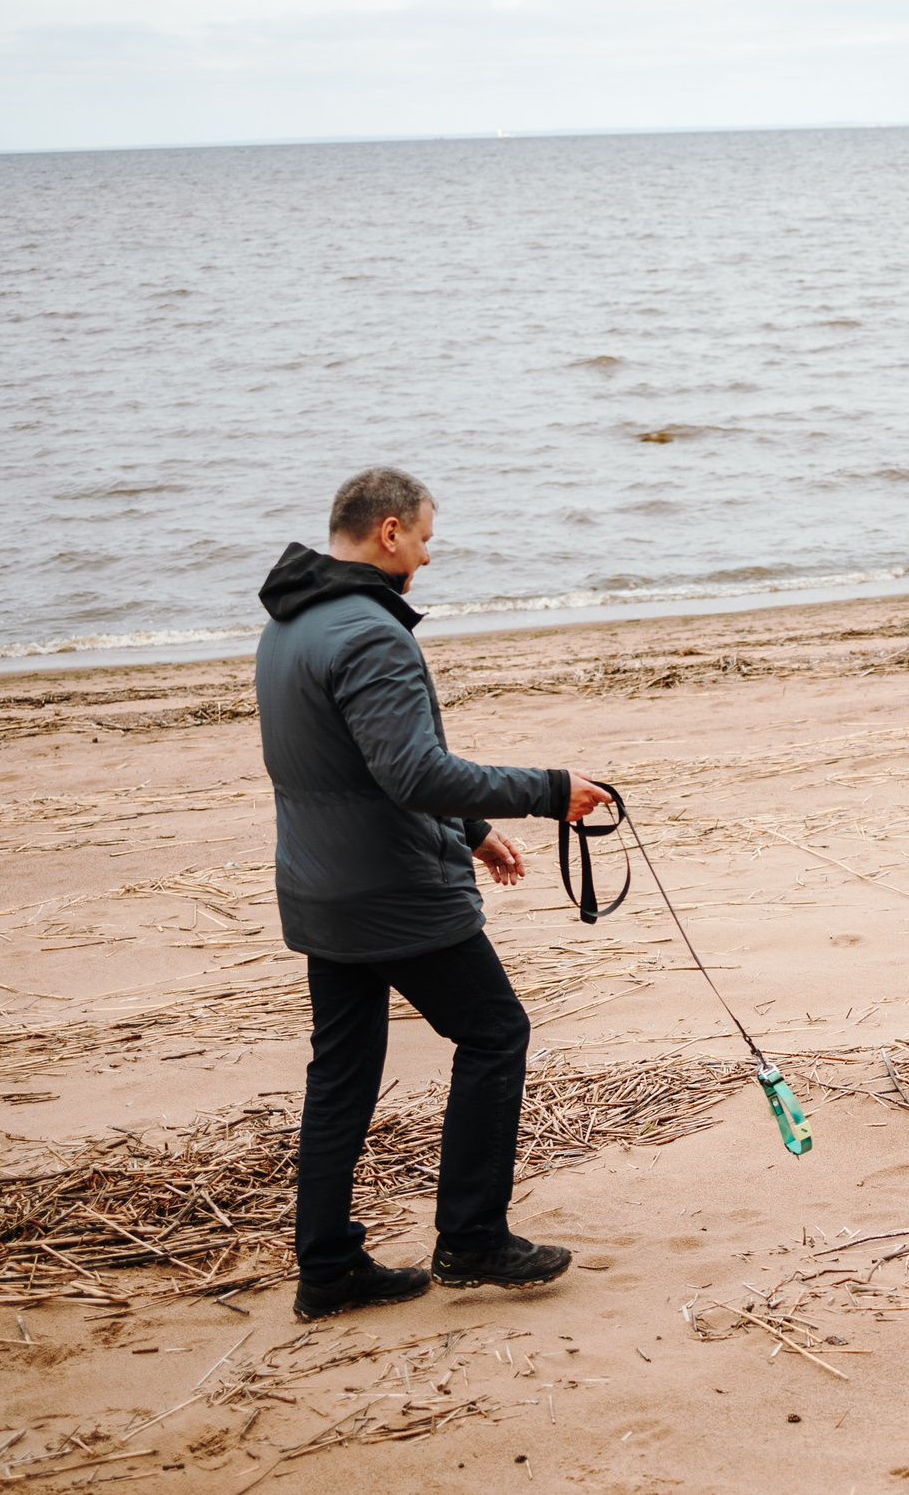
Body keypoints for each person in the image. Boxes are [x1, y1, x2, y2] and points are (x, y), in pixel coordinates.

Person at [255, 466, 609, 1320]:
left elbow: (360, 768)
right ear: (389, 532)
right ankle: (472, 1237)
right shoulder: (370, 632)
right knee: (495, 1032)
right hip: (394, 893)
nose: (425, 556)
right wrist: (547, 789)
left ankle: (327, 1267)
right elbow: (413, 772)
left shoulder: (288, 623)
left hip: (321, 889)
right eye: (423, 538)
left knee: (342, 1073)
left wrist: (471, 830)